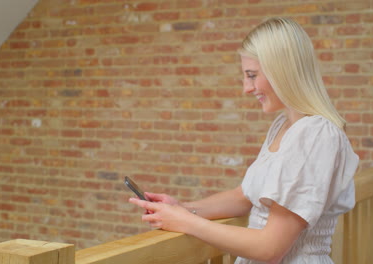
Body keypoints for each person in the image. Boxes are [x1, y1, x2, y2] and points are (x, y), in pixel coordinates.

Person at [129, 17, 359, 264]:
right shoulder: (284, 126)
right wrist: (183, 207)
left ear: (283, 71)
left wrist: (187, 222)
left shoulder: (316, 135)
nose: (246, 88)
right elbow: (245, 196)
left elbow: (270, 248)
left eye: (252, 75)